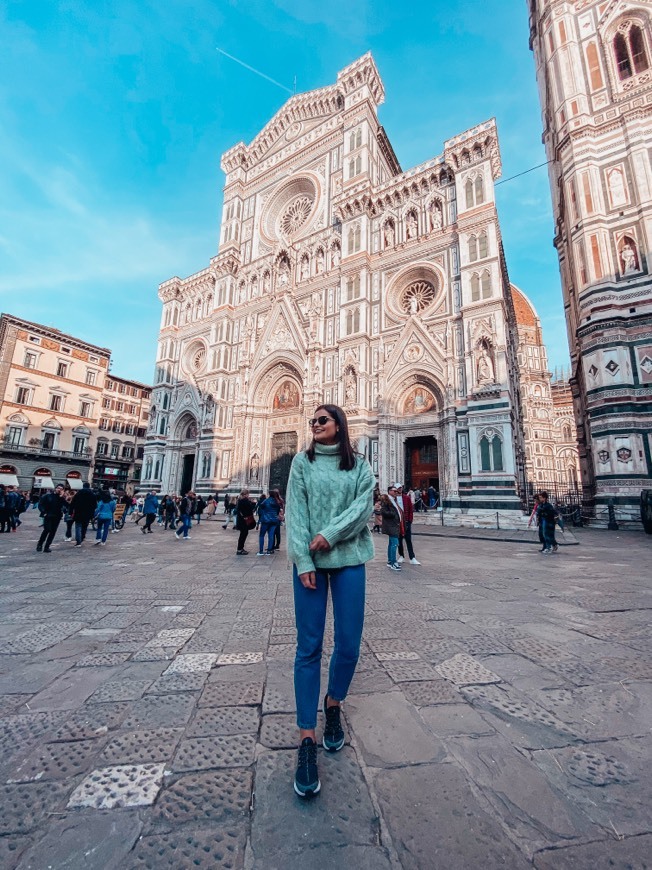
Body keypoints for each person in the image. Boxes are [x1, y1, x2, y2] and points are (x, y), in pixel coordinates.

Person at [286, 404, 374, 799]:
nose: (315, 425)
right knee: (309, 647)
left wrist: (331, 534)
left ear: (339, 424)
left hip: (349, 559)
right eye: (312, 422)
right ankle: (307, 738)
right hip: (309, 564)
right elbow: (296, 511)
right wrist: (304, 556)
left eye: (322, 420)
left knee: (350, 644)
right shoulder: (301, 464)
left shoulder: (359, 467)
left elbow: (364, 507)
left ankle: (333, 703)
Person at [36, 485, 66, 552]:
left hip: (57, 516)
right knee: (47, 530)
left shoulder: (62, 498)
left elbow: (66, 506)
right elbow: (40, 504)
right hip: (48, 515)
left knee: (53, 531)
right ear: (55, 488)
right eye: (58, 488)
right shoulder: (48, 496)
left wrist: (62, 498)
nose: (59, 490)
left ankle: (47, 546)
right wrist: (44, 512)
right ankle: (40, 544)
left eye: (61, 489)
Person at [395, 484, 420, 565]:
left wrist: (409, 521)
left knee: (408, 540)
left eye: (401, 488)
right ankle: (401, 556)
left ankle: (412, 557)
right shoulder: (393, 499)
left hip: (406, 522)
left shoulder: (406, 498)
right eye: (398, 488)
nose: (400, 489)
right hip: (398, 522)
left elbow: (410, 510)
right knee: (399, 540)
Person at [380, 488, 402, 571]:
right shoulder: (387, 500)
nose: (396, 492)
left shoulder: (393, 500)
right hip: (391, 525)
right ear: (389, 491)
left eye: (397, 491)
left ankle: (390, 561)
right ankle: (393, 562)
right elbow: (384, 512)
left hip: (394, 524)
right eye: (394, 491)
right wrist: (393, 514)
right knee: (394, 543)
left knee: (391, 543)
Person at [257, 490, 283, 555]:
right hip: (274, 521)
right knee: (271, 535)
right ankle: (269, 550)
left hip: (266, 520)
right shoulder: (277, 502)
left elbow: (261, 507)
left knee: (262, 535)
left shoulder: (266, 501)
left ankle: (261, 551)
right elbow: (277, 511)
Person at [71, 482, 97, 546]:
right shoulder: (92, 494)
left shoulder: (78, 493)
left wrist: (70, 512)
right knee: (84, 526)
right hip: (88, 514)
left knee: (78, 526)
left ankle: (78, 541)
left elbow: (73, 503)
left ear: (83, 486)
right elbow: (95, 505)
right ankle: (82, 537)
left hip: (78, 512)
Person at [235, 489, 256, 555]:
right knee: (243, 535)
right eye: (248, 494)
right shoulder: (244, 501)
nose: (248, 495)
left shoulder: (240, 500)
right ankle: (239, 549)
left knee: (243, 535)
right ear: (246, 494)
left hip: (241, 520)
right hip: (244, 521)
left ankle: (240, 548)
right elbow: (250, 510)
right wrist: (253, 503)